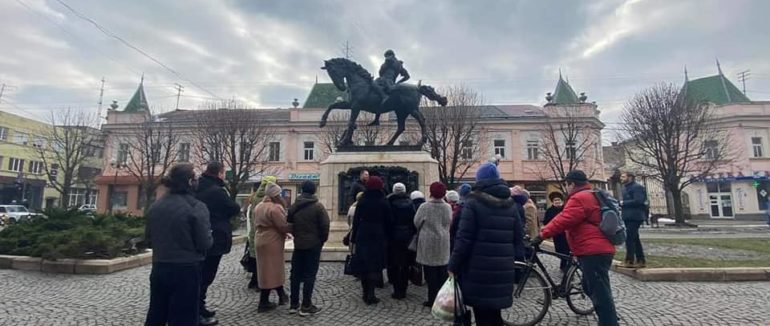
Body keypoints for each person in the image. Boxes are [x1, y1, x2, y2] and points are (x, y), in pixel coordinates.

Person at [533, 170, 619, 326]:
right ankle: (608, 315)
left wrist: (541, 235)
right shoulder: (590, 194)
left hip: (593, 250)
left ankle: (609, 321)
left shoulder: (579, 198)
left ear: (571, 184)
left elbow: (563, 220)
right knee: (590, 286)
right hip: (599, 248)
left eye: (566, 184)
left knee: (600, 292)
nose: (566, 188)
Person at [448, 163, 524, 326]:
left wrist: (453, 265)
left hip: (478, 268)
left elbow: (464, 238)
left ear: (480, 179)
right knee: (495, 314)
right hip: (503, 267)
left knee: (482, 313)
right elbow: (518, 237)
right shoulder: (510, 203)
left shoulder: (473, 201)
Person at [144, 163, 213, 326]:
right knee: (184, 316)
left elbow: (148, 238)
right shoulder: (196, 206)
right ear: (190, 182)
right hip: (186, 268)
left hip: (159, 267)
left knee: (156, 313)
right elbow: (204, 242)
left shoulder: (156, 206)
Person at [195, 162, 241, 325]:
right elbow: (234, 207)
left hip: (200, 236)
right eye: (223, 173)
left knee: (200, 275)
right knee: (206, 276)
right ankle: (197, 310)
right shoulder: (217, 191)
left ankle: (200, 307)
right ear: (220, 173)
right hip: (215, 236)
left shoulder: (198, 186)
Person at [287, 181, 330, 316]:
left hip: (299, 244)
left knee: (295, 274)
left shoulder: (294, 206)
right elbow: (325, 226)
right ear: (314, 191)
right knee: (309, 275)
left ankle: (293, 304)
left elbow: (289, 223)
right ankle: (306, 305)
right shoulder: (318, 207)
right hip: (313, 245)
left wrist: (297, 235)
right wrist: (321, 240)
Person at [349, 176, 392, 305]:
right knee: (374, 265)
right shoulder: (383, 201)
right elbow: (389, 221)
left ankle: (364, 292)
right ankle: (371, 294)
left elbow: (356, 220)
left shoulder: (362, 200)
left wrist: (354, 237)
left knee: (364, 264)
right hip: (378, 234)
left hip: (363, 233)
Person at [253, 182, 292, 312]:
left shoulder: (259, 206)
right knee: (273, 269)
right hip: (272, 241)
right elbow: (282, 225)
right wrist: (292, 230)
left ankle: (281, 296)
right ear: (276, 195)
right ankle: (264, 302)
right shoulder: (275, 208)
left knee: (266, 269)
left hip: (260, 238)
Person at [414, 182, 452, 307]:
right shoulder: (447, 207)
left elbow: (417, 222)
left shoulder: (424, 207)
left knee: (430, 273)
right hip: (443, 241)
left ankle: (431, 299)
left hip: (428, 241)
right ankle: (441, 300)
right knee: (442, 272)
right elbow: (449, 222)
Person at [245, 176, 277, 290]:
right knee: (263, 259)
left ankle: (254, 281)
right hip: (265, 231)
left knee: (255, 256)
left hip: (255, 230)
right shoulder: (267, 198)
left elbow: (249, 214)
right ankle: (261, 283)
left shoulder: (255, 196)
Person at [386, 182, 417, 300]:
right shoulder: (410, 203)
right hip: (407, 236)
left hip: (393, 237)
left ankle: (396, 288)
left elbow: (388, 220)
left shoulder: (389, 202)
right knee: (405, 264)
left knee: (393, 262)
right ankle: (403, 288)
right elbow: (414, 221)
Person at [619, 171, 647, 268]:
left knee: (629, 238)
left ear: (630, 177)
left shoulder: (637, 187)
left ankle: (629, 260)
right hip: (628, 216)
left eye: (623, 176)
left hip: (635, 216)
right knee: (635, 238)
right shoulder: (625, 188)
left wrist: (623, 203)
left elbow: (639, 201)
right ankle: (641, 260)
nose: (621, 178)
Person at [543, 192, 569, 272]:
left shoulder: (566, 209)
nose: (557, 202)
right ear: (552, 201)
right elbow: (546, 221)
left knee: (567, 250)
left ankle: (565, 265)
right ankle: (563, 262)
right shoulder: (549, 211)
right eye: (555, 200)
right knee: (559, 250)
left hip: (566, 233)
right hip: (557, 234)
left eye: (558, 200)